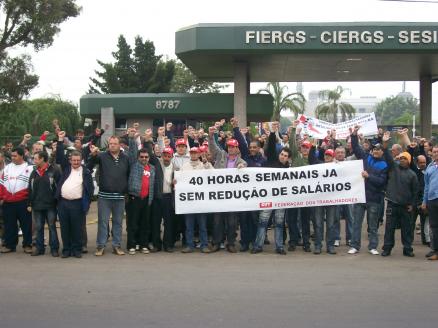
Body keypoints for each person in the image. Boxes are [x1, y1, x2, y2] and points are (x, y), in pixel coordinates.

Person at [252, 122, 292, 255]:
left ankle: (279, 246)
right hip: (268, 197)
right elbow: (270, 148)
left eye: (286, 156)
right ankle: (258, 245)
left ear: (288, 159)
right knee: (263, 222)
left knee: (279, 224)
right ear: (278, 154)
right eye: (282, 154)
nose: (283, 157)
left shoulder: (290, 169)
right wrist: (274, 132)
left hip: (281, 199)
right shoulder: (271, 161)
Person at [348, 126, 388, 255]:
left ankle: (372, 247)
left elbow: (381, 182)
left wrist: (368, 176)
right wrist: (354, 135)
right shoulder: (366, 158)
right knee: (356, 224)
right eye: (374, 149)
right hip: (360, 197)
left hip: (374, 199)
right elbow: (356, 148)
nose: (376, 151)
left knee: (373, 226)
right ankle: (355, 246)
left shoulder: (384, 165)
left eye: (378, 149)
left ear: (382, 152)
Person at [88, 136, 130, 256]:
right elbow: (90, 165)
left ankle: (116, 246)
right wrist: (93, 155)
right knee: (103, 222)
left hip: (119, 197)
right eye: (110, 143)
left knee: (118, 222)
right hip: (104, 196)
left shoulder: (125, 158)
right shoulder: (101, 156)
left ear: (119, 145)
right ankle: (100, 246)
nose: (112, 145)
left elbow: (128, 174)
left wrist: (125, 190)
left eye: (115, 143)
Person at [209, 125, 247, 253]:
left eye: (233, 147)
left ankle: (230, 243)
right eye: (229, 146)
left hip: (232, 197)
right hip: (219, 195)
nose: (231, 149)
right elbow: (213, 147)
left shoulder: (242, 162)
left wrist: (243, 167)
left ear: (237, 149)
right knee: (217, 220)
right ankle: (216, 242)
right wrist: (210, 136)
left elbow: (246, 175)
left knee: (232, 222)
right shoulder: (221, 155)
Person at [55, 134, 94, 258]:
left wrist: (87, 202)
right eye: (74, 160)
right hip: (63, 203)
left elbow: (90, 189)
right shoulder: (66, 169)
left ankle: (77, 249)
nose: (76, 162)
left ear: (81, 160)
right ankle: (66, 249)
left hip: (77, 204)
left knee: (77, 228)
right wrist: (60, 141)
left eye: (78, 160)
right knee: (65, 228)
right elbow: (60, 156)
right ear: (70, 160)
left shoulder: (86, 171)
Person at [381, 134, 418, 257]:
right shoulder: (393, 168)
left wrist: (412, 205)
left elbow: (415, 192)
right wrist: (385, 143)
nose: (402, 160)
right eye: (400, 158)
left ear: (409, 161)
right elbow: (386, 154)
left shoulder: (413, 175)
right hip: (392, 204)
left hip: (406, 206)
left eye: (404, 158)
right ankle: (387, 248)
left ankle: (407, 249)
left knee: (407, 229)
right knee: (389, 229)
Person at [126, 129, 156, 255]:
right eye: (142, 157)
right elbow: (132, 152)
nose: (144, 158)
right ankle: (132, 245)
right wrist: (132, 139)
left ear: (149, 158)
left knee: (145, 223)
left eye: (146, 157)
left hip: (147, 199)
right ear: (138, 158)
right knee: (133, 223)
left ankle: (143, 244)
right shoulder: (134, 164)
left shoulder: (152, 168)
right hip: (135, 198)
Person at [0, 147, 33, 254]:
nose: (12, 158)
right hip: (8, 202)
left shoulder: (29, 168)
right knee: (9, 225)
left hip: (23, 201)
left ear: (22, 156)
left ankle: (27, 245)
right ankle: (10, 245)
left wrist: (30, 200)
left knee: (26, 225)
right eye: (12, 156)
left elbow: (32, 186)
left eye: (15, 156)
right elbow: (1, 184)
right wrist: (2, 197)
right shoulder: (7, 168)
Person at [28, 151, 61, 257]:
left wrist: (57, 202)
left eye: (36, 158)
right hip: (37, 205)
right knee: (38, 227)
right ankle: (39, 248)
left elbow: (59, 188)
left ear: (42, 159)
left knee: (52, 226)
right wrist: (29, 203)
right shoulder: (34, 172)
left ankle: (54, 248)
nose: (34, 160)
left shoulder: (54, 171)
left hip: (50, 205)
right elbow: (30, 189)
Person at [180, 147, 213, 253]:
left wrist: (206, 163)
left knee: (202, 225)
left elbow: (213, 174)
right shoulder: (184, 166)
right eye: (192, 153)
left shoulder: (204, 165)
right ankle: (190, 245)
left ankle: (204, 245)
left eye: (195, 153)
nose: (193, 155)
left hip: (201, 201)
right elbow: (179, 179)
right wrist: (176, 181)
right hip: (189, 201)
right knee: (189, 225)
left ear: (199, 154)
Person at [422, 145, 438, 261]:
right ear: (431, 153)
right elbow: (426, 186)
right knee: (434, 226)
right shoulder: (430, 167)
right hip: (432, 200)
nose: (436, 153)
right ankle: (435, 249)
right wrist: (424, 201)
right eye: (434, 152)